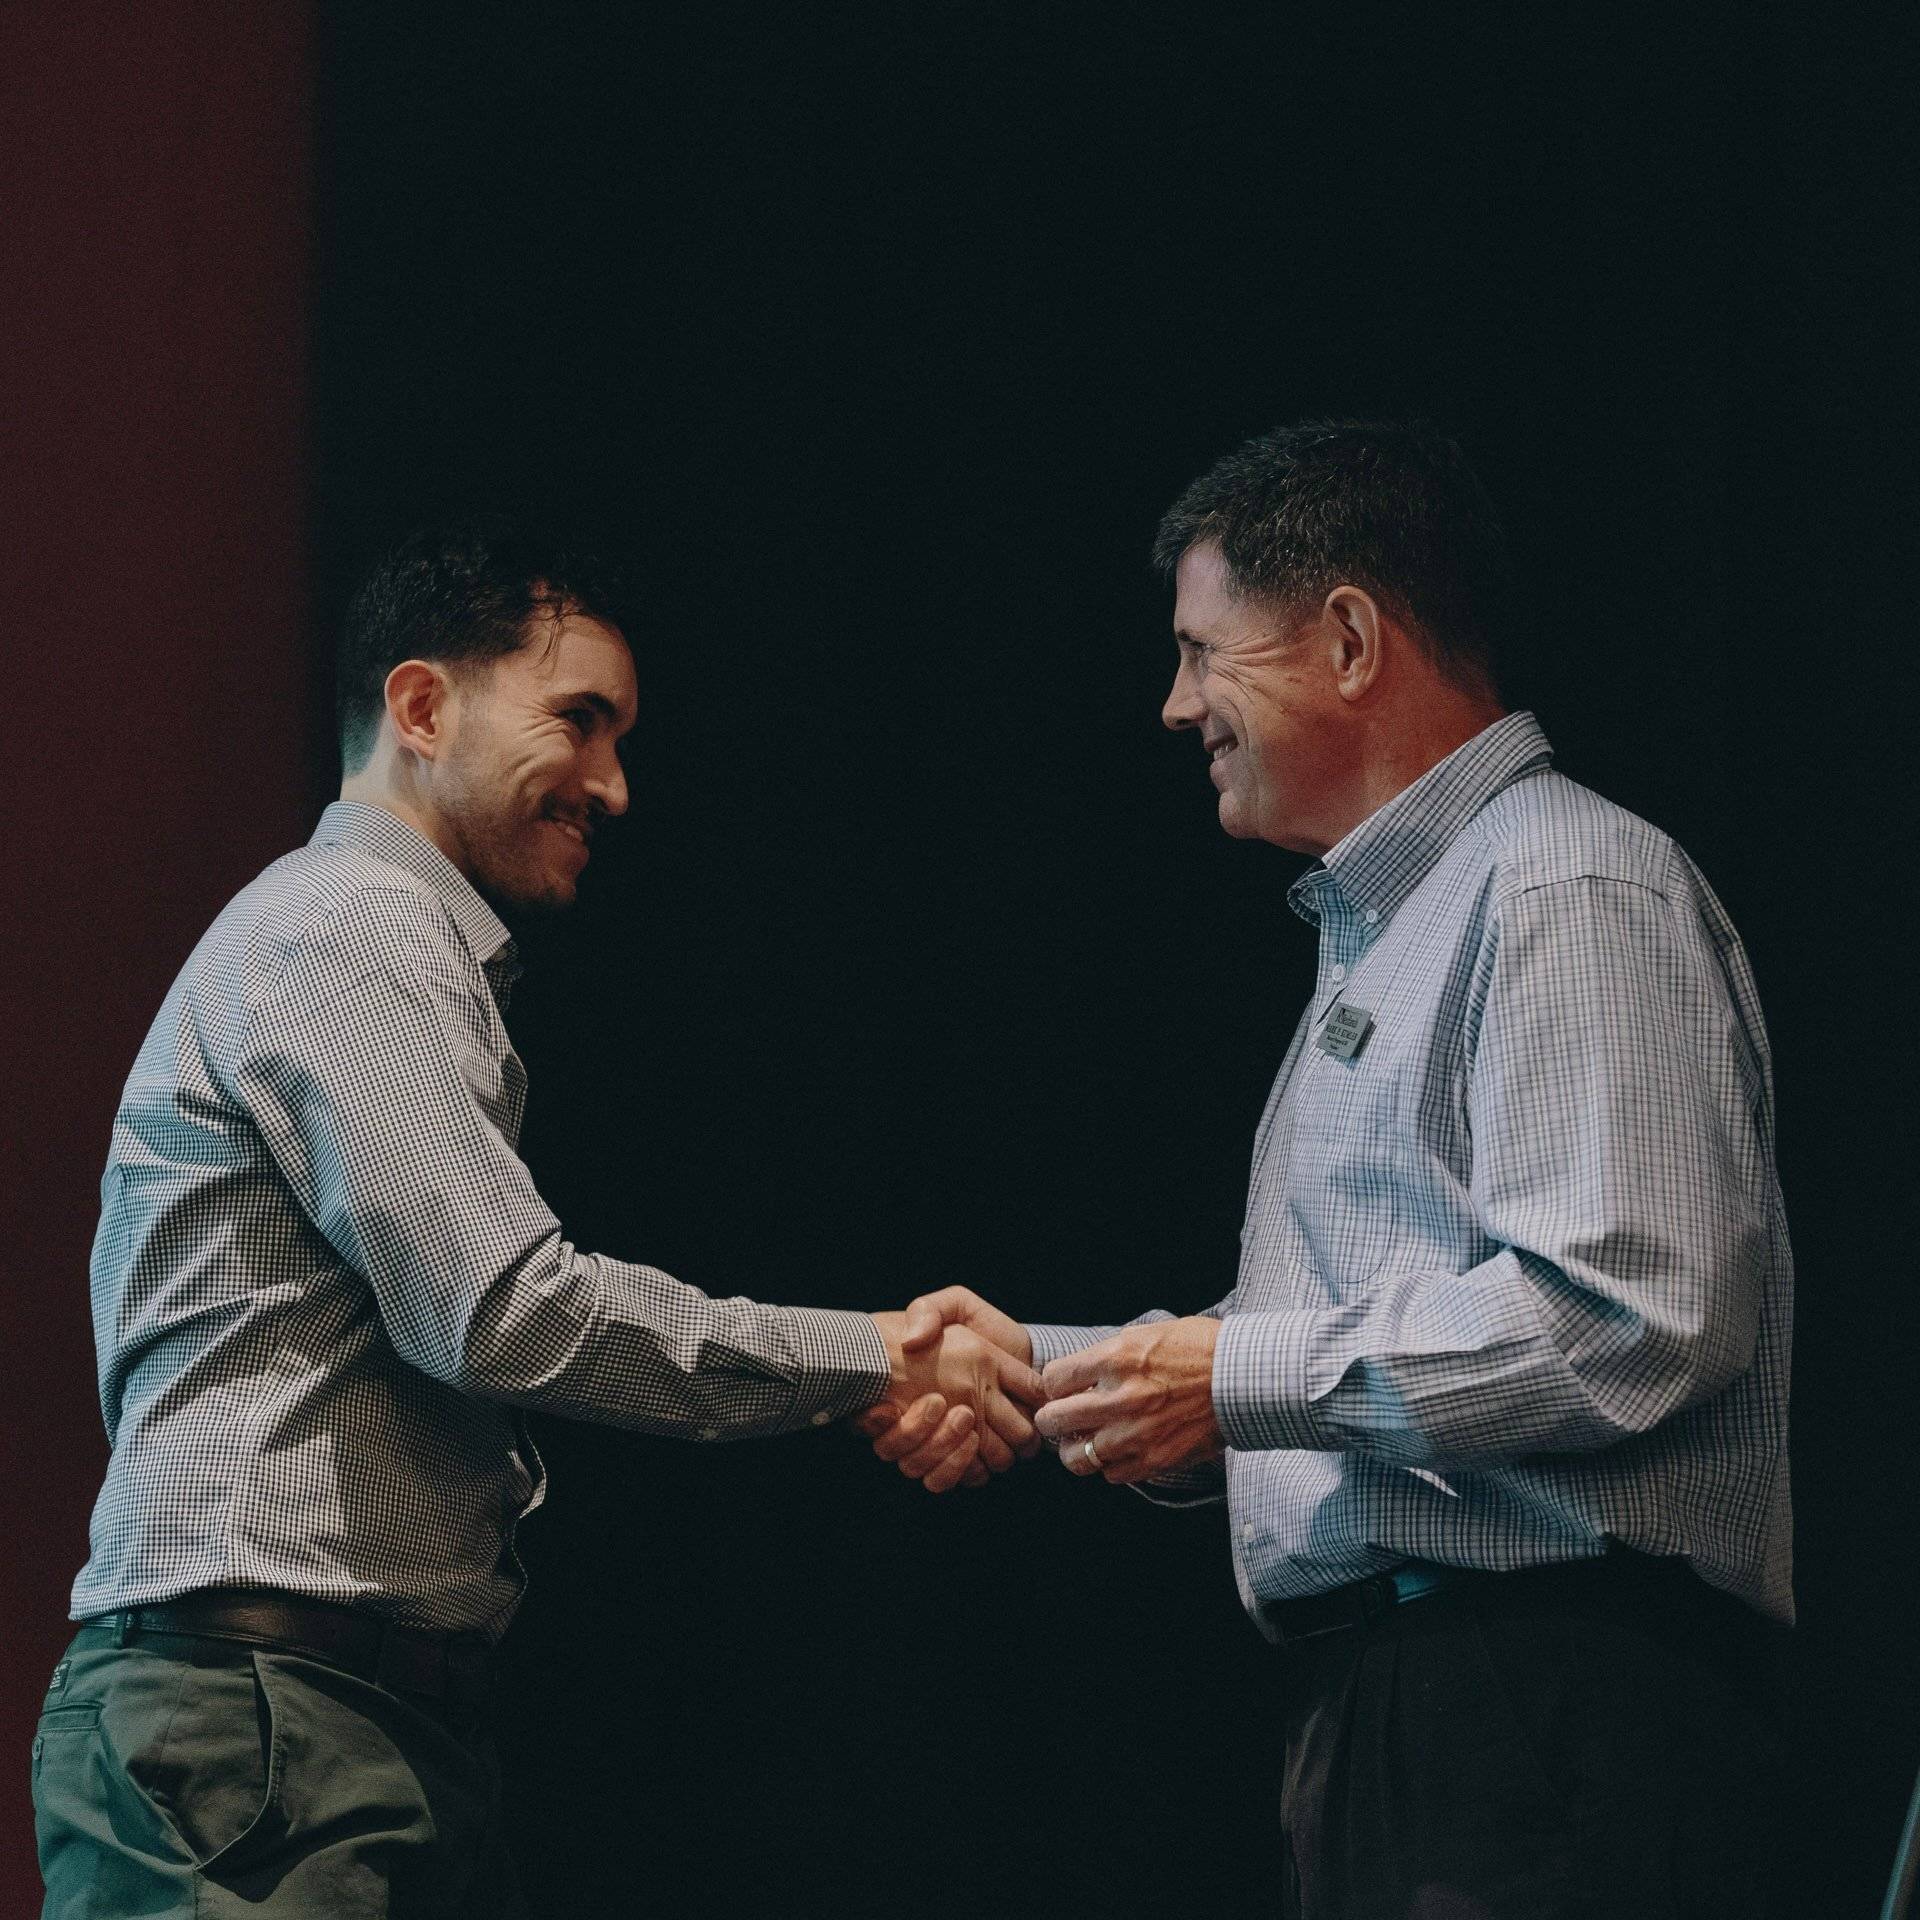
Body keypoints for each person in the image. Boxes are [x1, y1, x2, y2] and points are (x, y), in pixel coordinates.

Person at [32, 521, 1043, 1920]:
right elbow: (502, 1313)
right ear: (423, 706)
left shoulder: (381, 944)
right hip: (262, 1733)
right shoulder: (349, 929)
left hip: (332, 1729)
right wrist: (873, 1356)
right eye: (580, 722)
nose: (615, 786)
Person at [864, 420, 1794, 1917]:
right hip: (1423, 1721)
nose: (1176, 708)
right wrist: (1047, 1372)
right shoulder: (1401, 927)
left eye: (1200, 651)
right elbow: (1323, 1349)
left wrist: (1229, 1375)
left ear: (1350, 638)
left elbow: (1627, 1318)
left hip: (1543, 1721)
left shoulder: (1565, 885)